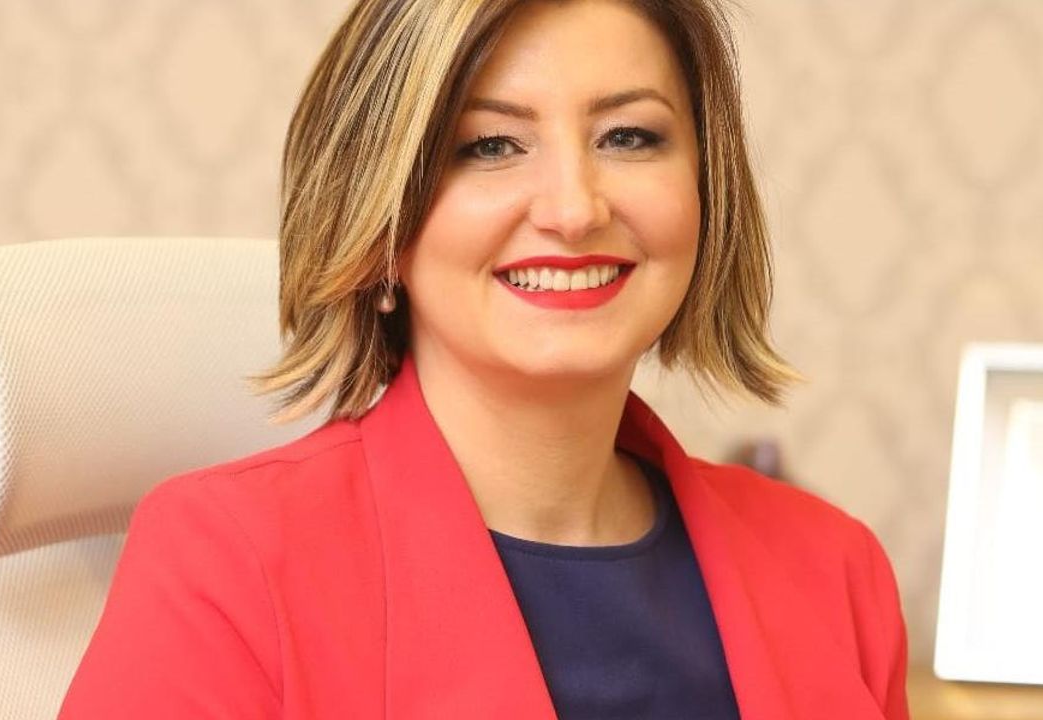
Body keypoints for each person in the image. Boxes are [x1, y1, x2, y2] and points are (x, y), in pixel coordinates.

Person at [59, 0, 910, 717]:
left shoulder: (833, 569)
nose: (574, 209)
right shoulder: (228, 562)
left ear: (707, 189)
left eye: (628, 136)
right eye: (490, 146)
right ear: (378, 219)